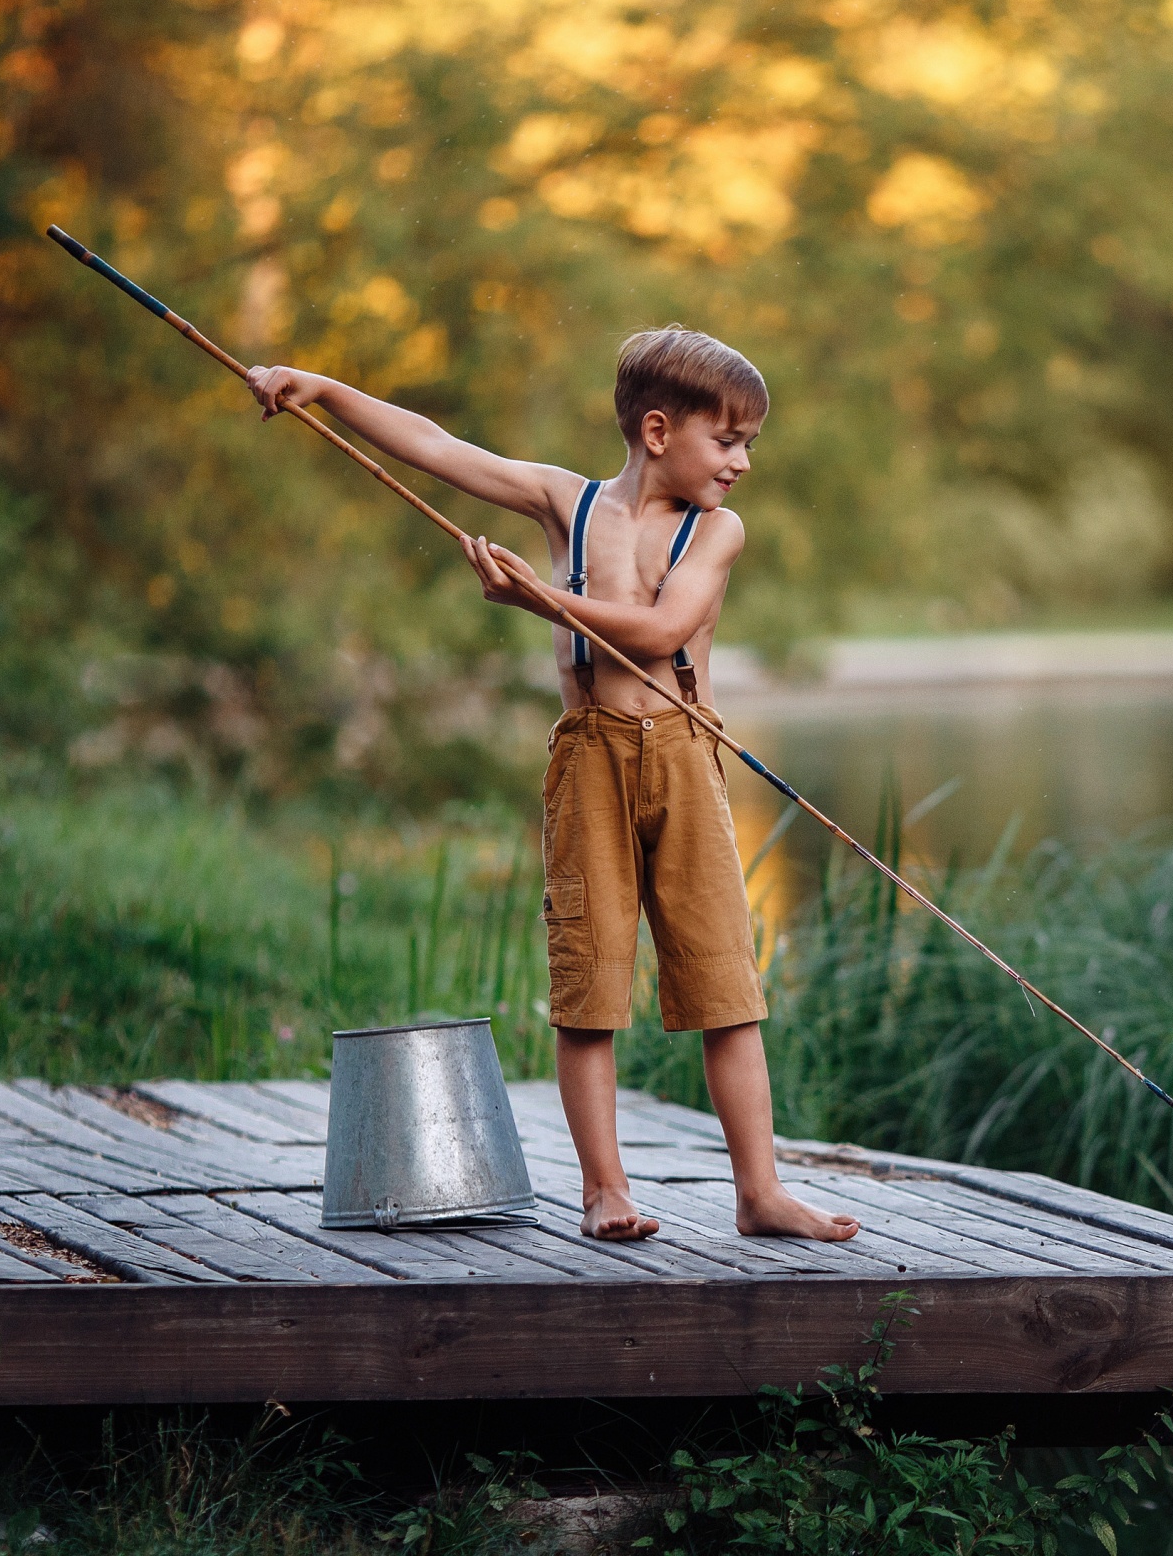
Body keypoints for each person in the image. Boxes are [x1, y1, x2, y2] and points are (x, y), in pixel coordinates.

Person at [246, 328, 858, 1245]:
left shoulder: (718, 531)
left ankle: (760, 1191)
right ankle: (603, 1190)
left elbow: (660, 633)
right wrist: (322, 388)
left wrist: (542, 601)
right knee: (589, 982)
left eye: (747, 445)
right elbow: (439, 446)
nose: (739, 463)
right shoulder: (564, 503)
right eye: (726, 440)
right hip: (588, 761)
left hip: (686, 759)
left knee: (725, 984)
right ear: (658, 431)